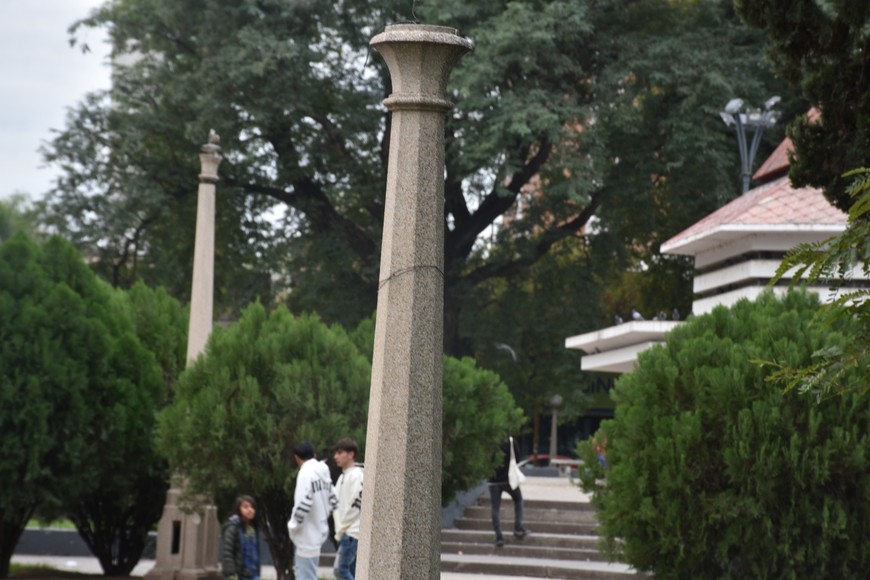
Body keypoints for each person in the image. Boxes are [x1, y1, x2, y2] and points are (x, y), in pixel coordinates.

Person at [288, 441, 337, 580]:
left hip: (306, 534)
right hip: (319, 530)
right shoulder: (323, 473)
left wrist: (293, 526)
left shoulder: (305, 474)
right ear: (314, 455)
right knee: (309, 574)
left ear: (297, 458)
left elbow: (303, 503)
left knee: (305, 575)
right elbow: (334, 499)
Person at [332, 438, 364, 580]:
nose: (336, 457)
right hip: (346, 532)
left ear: (351, 454)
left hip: (351, 532)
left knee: (340, 570)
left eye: (340, 453)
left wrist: (342, 528)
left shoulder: (357, 475)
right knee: (352, 571)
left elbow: (356, 505)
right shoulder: (343, 476)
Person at [488, 437, 528, 547]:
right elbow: (517, 459)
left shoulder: (490, 440)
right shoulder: (510, 441)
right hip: (508, 480)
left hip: (493, 481)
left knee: (495, 509)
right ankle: (518, 527)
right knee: (518, 499)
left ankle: (499, 537)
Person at [221, 495, 261, 580]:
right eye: (245, 507)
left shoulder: (252, 528)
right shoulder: (232, 528)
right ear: (238, 509)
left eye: (252, 507)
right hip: (239, 575)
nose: (250, 510)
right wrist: (231, 574)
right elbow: (228, 553)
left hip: (253, 574)